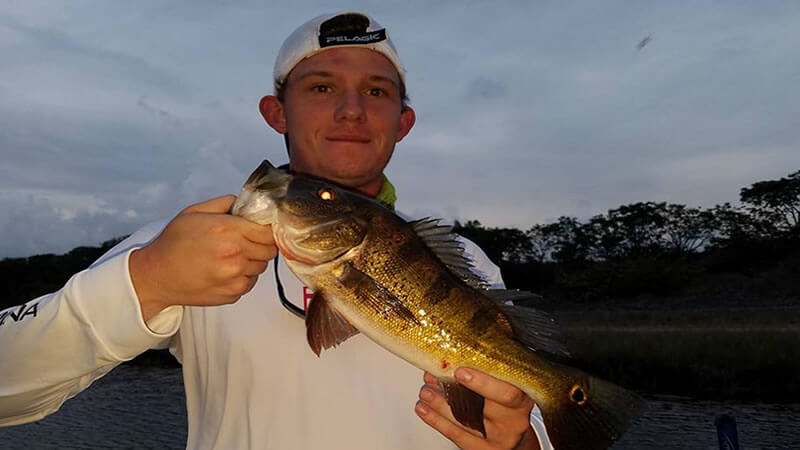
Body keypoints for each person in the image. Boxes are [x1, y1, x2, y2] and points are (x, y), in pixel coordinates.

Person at [0, 12, 552, 450]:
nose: (352, 110)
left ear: (402, 122)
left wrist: (519, 443)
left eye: (376, 92)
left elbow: (533, 433)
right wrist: (148, 282)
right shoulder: (183, 241)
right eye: (322, 88)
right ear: (276, 113)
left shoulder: (467, 260)